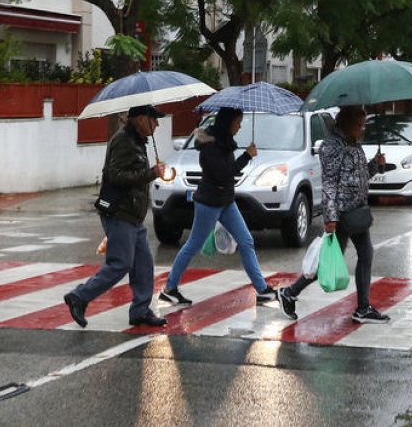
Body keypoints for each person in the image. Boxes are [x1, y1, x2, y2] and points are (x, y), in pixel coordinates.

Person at [277, 105, 390, 323]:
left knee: (361, 254)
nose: (363, 129)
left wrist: (376, 165)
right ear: (347, 124)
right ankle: (290, 293)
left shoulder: (353, 143)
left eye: (364, 125)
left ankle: (361, 308)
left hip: (357, 210)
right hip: (342, 213)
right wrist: (330, 217)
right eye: (360, 125)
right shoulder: (331, 147)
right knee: (334, 259)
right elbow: (329, 183)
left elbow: (360, 176)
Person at [159, 107, 278, 307]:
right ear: (227, 122)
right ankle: (169, 289)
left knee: (246, 241)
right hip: (209, 202)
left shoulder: (225, 140)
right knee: (193, 244)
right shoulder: (211, 144)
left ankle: (262, 290)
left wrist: (245, 155)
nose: (240, 127)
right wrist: (246, 156)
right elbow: (224, 174)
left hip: (226, 201)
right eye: (237, 122)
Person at [64, 104, 169, 328]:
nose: (157, 124)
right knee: (120, 264)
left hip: (134, 215)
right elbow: (116, 176)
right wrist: (151, 173)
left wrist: (150, 172)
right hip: (121, 212)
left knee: (143, 265)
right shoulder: (124, 141)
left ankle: (140, 310)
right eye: (154, 119)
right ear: (140, 119)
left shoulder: (137, 140)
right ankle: (79, 297)